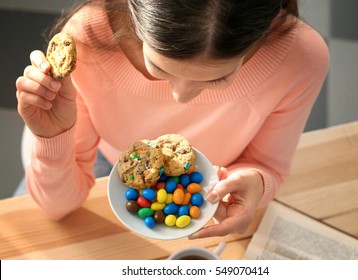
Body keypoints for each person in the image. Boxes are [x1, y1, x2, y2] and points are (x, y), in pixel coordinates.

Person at [15, 0, 329, 239]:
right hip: (95, 157)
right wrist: (52, 138)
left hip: (214, 180)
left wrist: (258, 182)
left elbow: (267, 164)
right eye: (160, 68)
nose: (181, 97)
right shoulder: (87, 39)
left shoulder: (300, 59)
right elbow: (57, 209)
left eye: (218, 78)